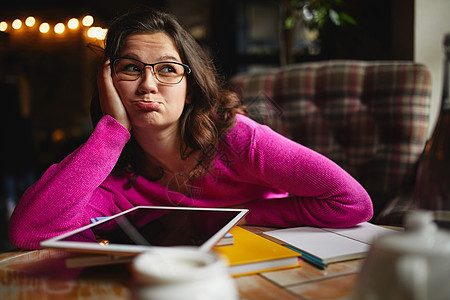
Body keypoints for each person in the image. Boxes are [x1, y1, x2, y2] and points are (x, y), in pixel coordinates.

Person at [8, 8, 373, 250]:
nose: (148, 85)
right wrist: (111, 131)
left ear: (191, 86)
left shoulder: (236, 138)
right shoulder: (112, 177)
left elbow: (352, 202)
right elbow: (30, 232)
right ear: (108, 84)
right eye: (130, 68)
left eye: (167, 69)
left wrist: (226, 219)